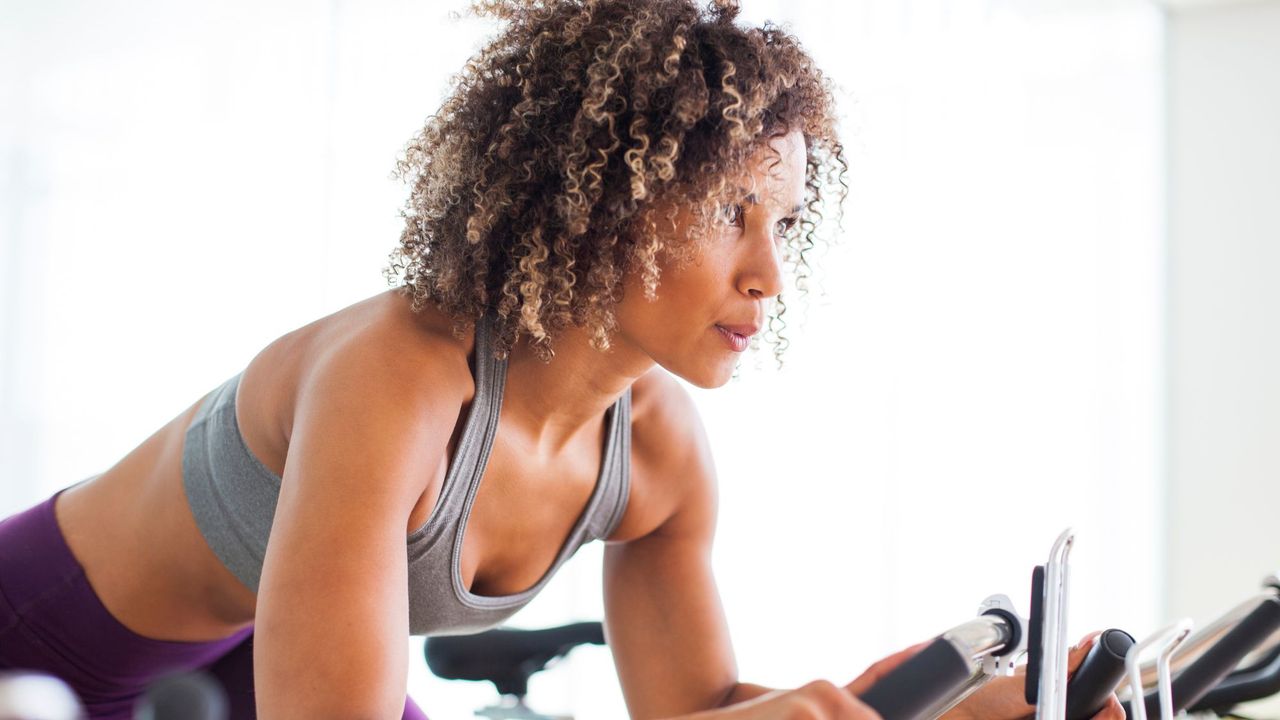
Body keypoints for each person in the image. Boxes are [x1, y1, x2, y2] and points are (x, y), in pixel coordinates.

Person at [0, 1, 1127, 718]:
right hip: (34, 635)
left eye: (781, 225)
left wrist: (934, 712)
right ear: (605, 203)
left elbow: (690, 709)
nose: (767, 278)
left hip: (241, 662)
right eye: (729, 212)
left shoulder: (657, 452)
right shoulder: (399, 376)